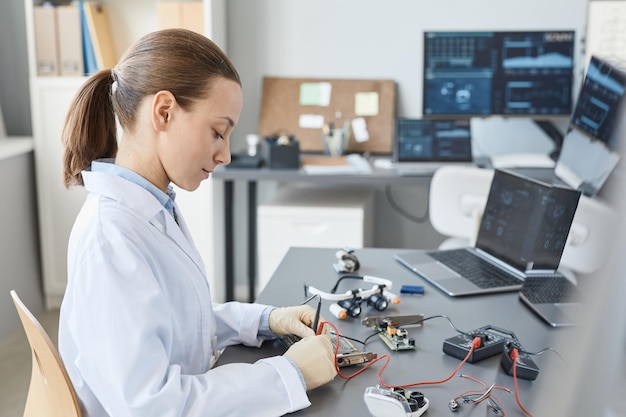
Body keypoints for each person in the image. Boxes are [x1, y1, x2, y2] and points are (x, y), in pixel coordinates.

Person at [58, 28, 337, 417]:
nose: (225, 155)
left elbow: (177, 323)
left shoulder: (153, 206)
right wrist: (289, 374)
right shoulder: (111, 237)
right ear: (164, 112)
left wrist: (266, 320)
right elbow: (150, 405)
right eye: (217, 132)